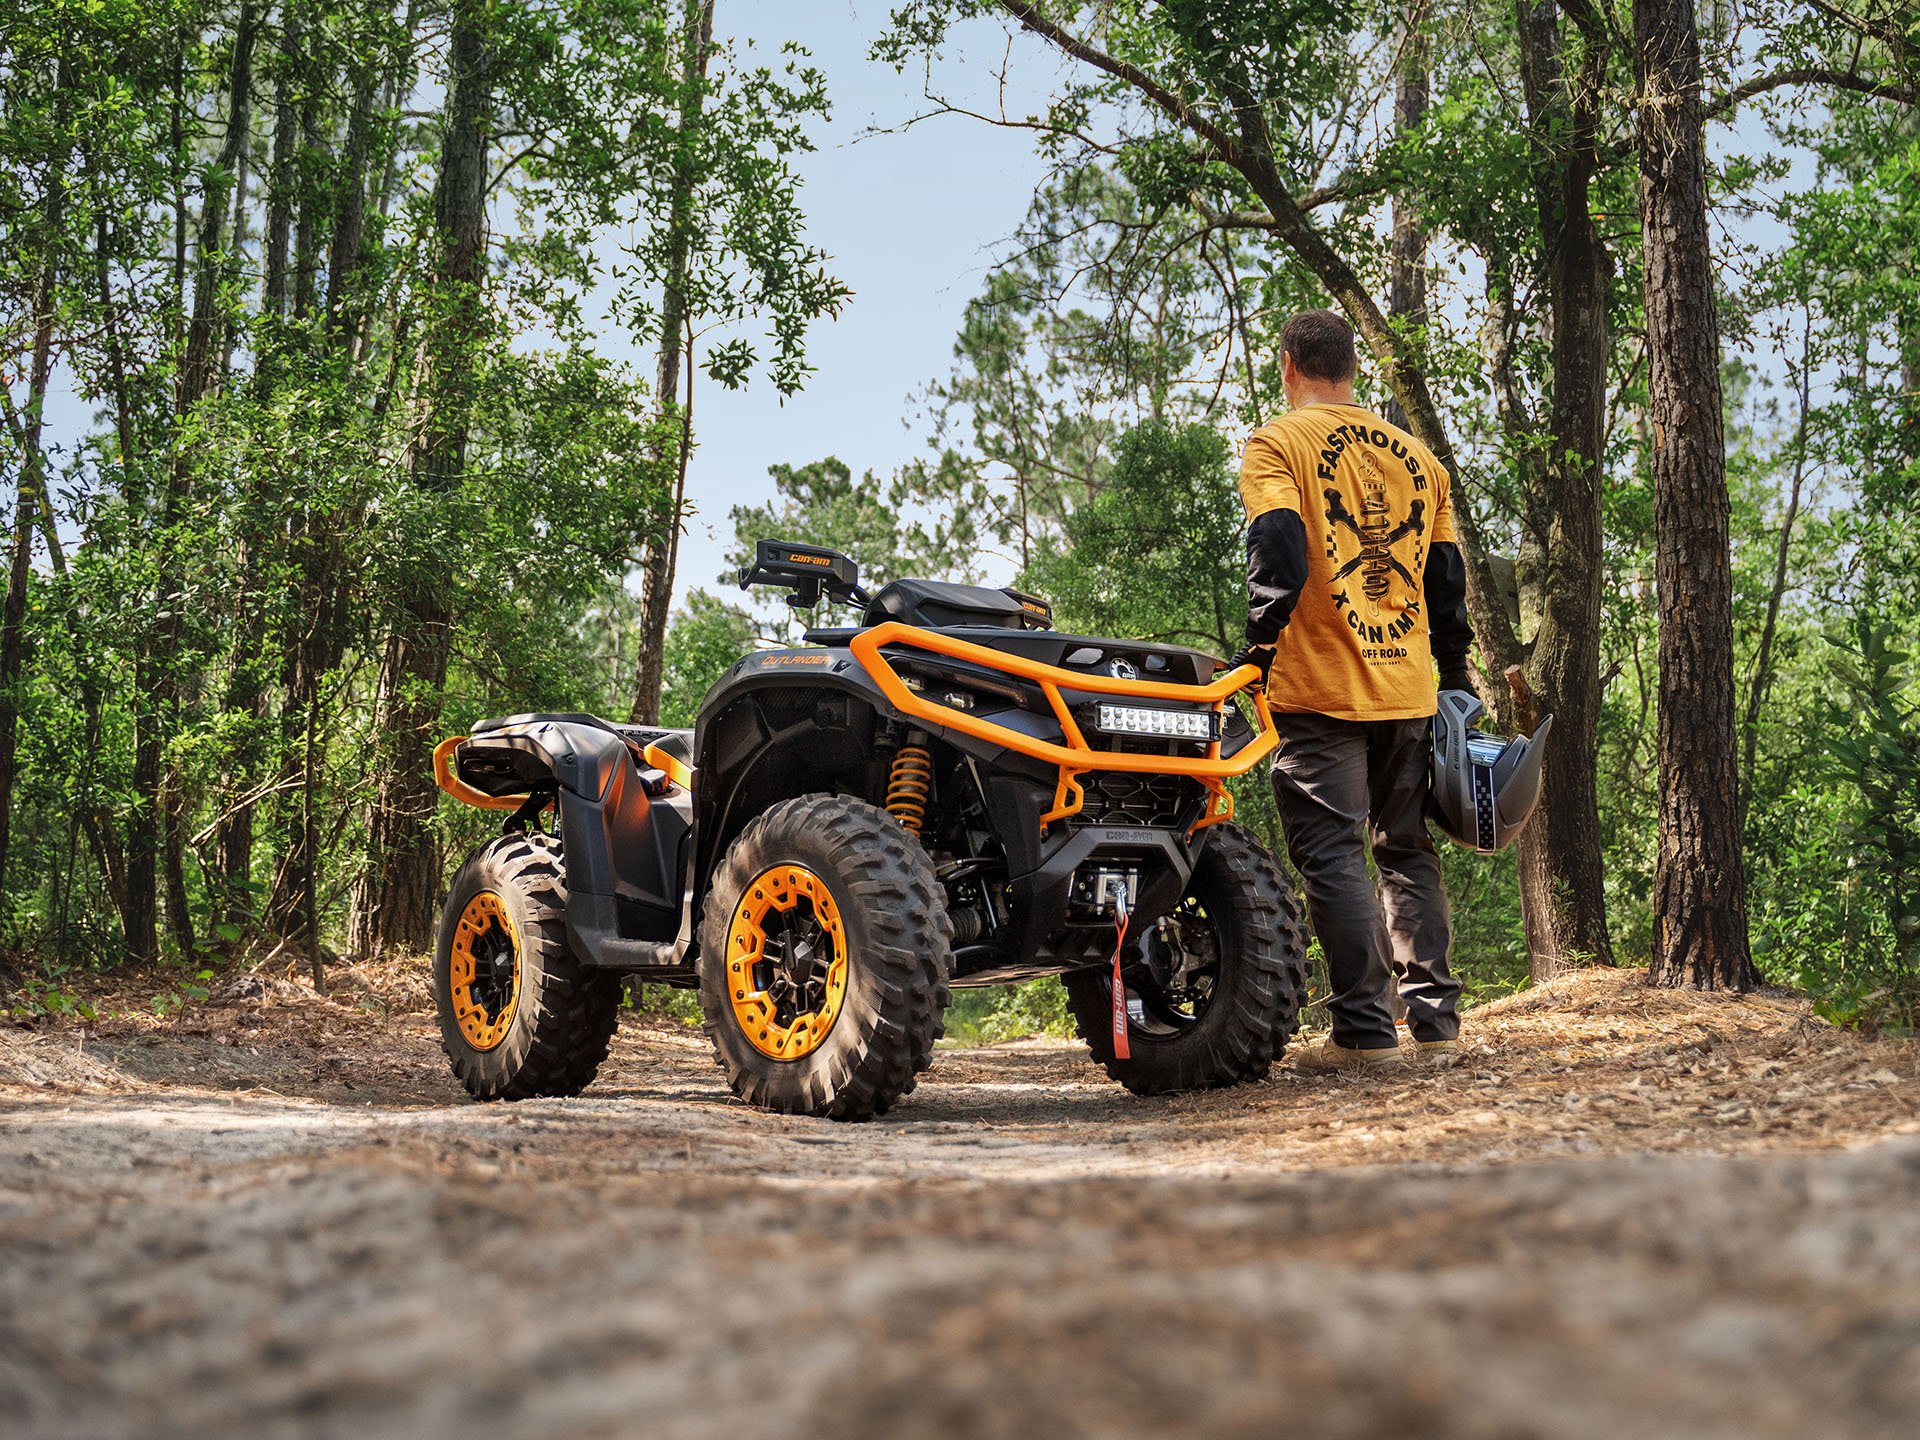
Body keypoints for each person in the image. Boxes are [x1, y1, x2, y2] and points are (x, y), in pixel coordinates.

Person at [1226, 310, 1475, 1073]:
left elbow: (1278, 541)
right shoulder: (1418, 458)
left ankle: (1365, 1036)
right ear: (1353, 367)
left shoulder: (1277, 443)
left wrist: (1259, 649)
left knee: (1334, 855)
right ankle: (1436, 1026)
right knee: (1405, 851)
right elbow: (1446, 582)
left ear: (1288, 365)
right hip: (1407, 687)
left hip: (1321, 688)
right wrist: (1456, 680)